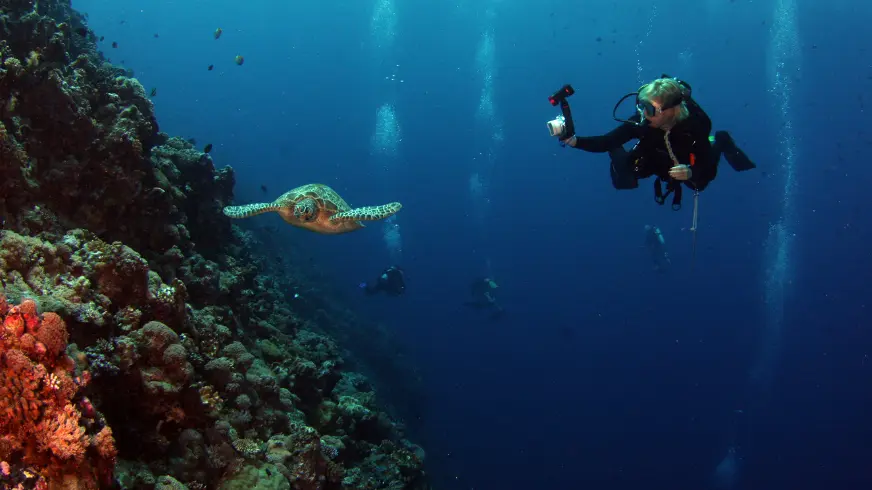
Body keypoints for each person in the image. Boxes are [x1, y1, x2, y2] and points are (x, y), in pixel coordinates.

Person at [558, 76, 756, 210]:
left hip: (685, 158)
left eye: (650, 109)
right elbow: (607, 141)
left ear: (671, 110)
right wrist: (575, 141)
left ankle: (721, 140)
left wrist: (691, 172)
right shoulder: (642, 122)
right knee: (624, 179)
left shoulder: (696, 126)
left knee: (699, 184)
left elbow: (706, 169)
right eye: (641, 106)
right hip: (655, 153)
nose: (643, 114)